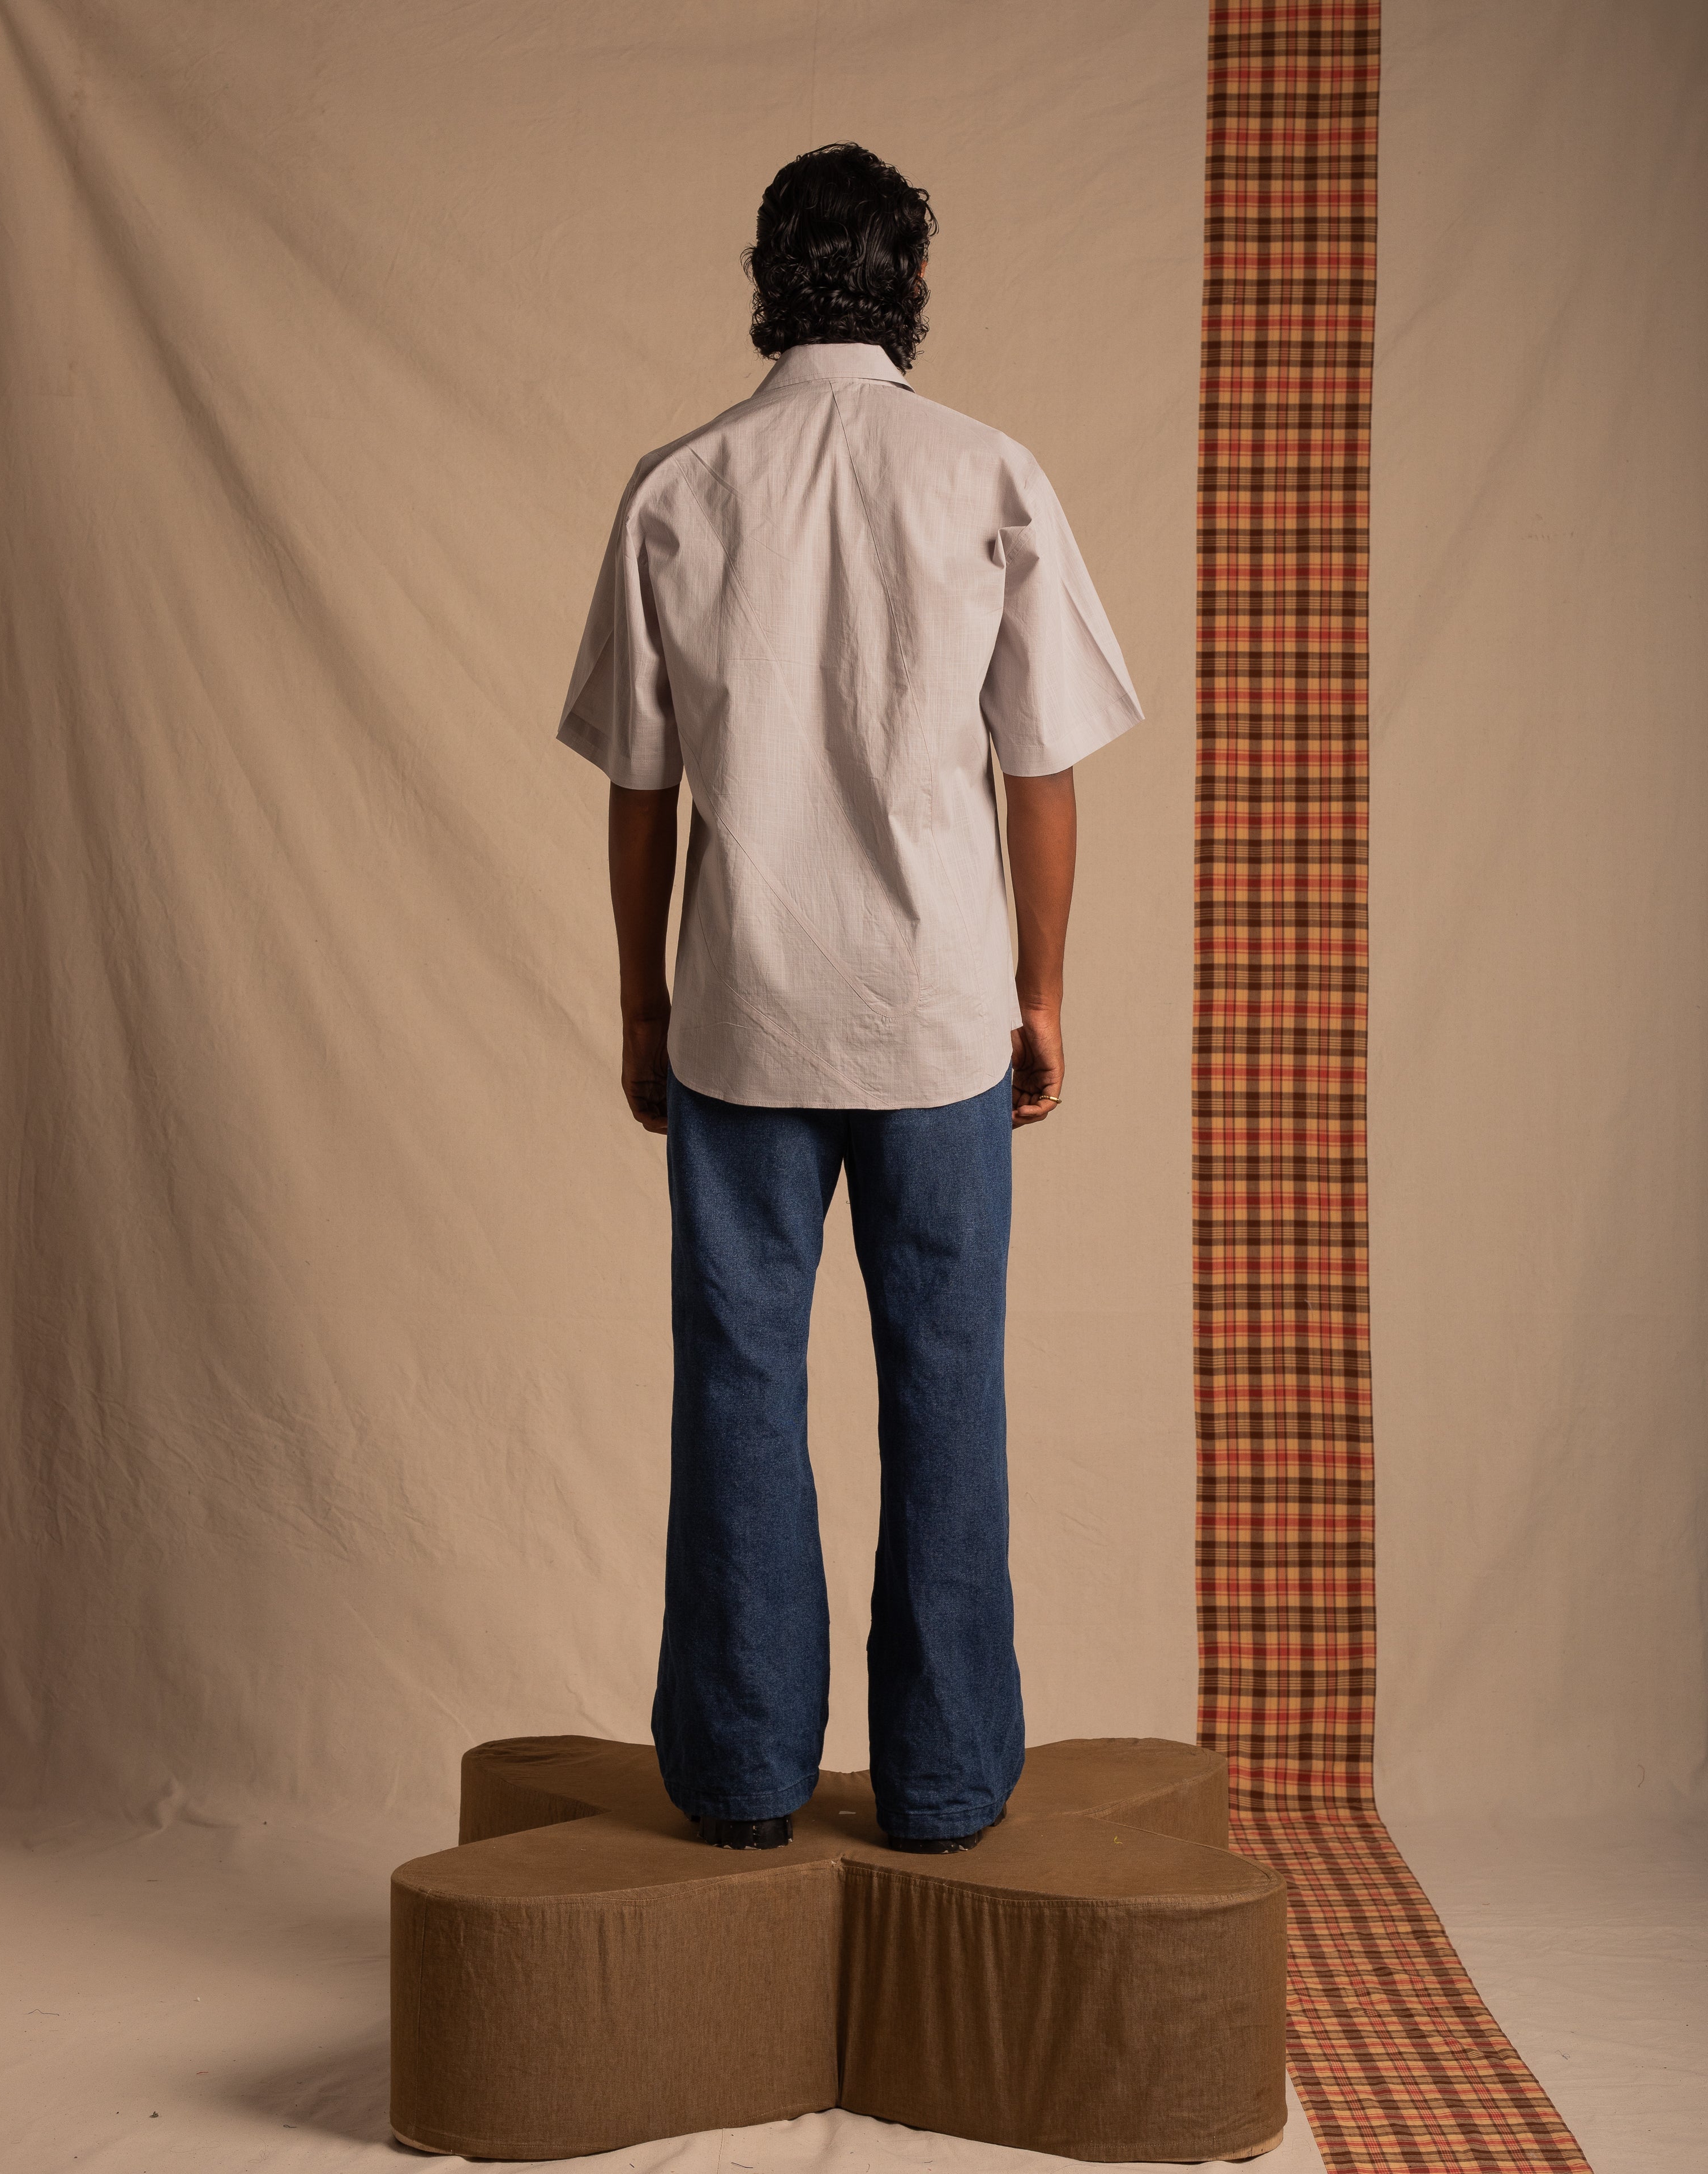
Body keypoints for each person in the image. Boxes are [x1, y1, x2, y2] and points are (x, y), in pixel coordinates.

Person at [557, 143, 1142, 1854]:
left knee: (738, 1384)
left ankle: (741, 1780)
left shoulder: (679, 486)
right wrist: (1043, 993)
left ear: (767, 280)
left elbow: (641, 788)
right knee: (946, 1382)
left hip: (743, 1005)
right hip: (940, 1013)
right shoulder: (987, 473)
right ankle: (946, 1786)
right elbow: (1041, 769)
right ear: (912, 285)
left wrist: (643, 1009)